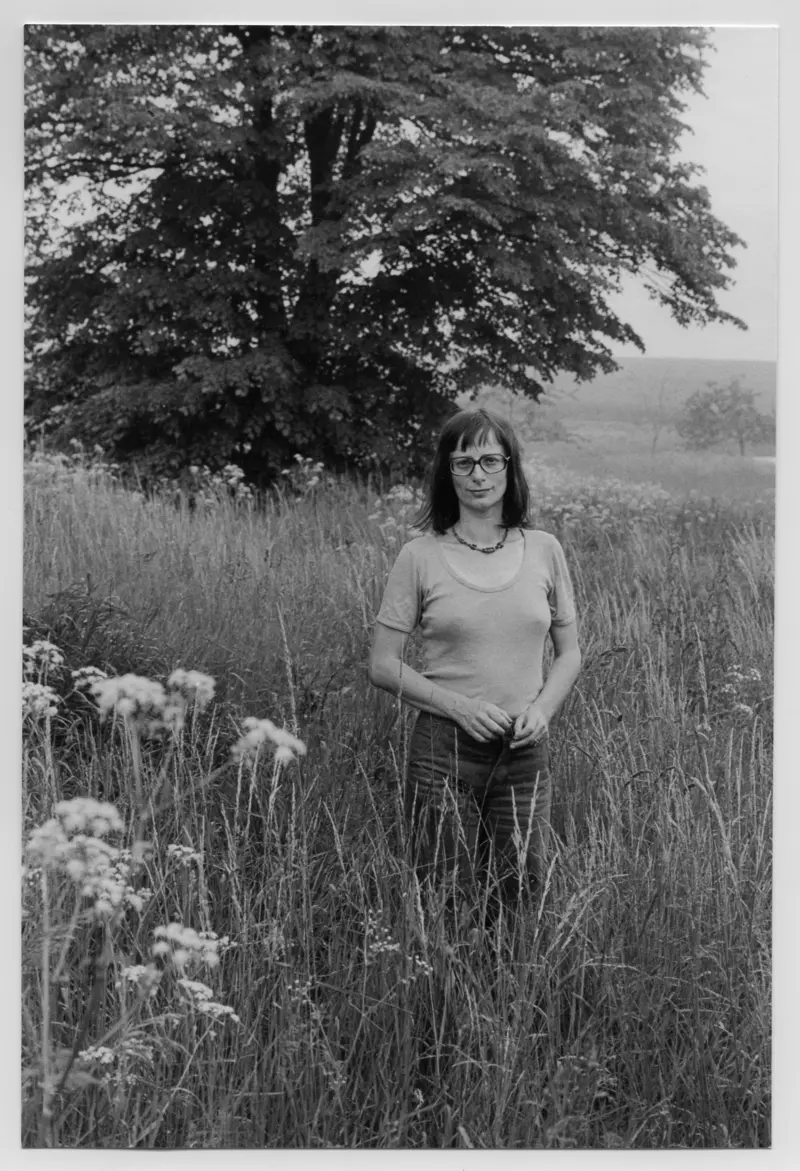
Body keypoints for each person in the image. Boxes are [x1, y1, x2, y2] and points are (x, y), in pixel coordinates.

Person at [369, 407, 581, 931]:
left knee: (518, 900)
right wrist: (458, 707)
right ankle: (441, 1009)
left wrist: (542, 711)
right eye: (463, 463)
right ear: (447, 472)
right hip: (443, 753)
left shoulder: (545, 549)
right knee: (442, 903)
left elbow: (570, 652)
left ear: (510, 468)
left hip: (524, 751)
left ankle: (507, 1008)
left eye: (490, 460)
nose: (478, 474)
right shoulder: (419, 556)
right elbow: (381, 664)